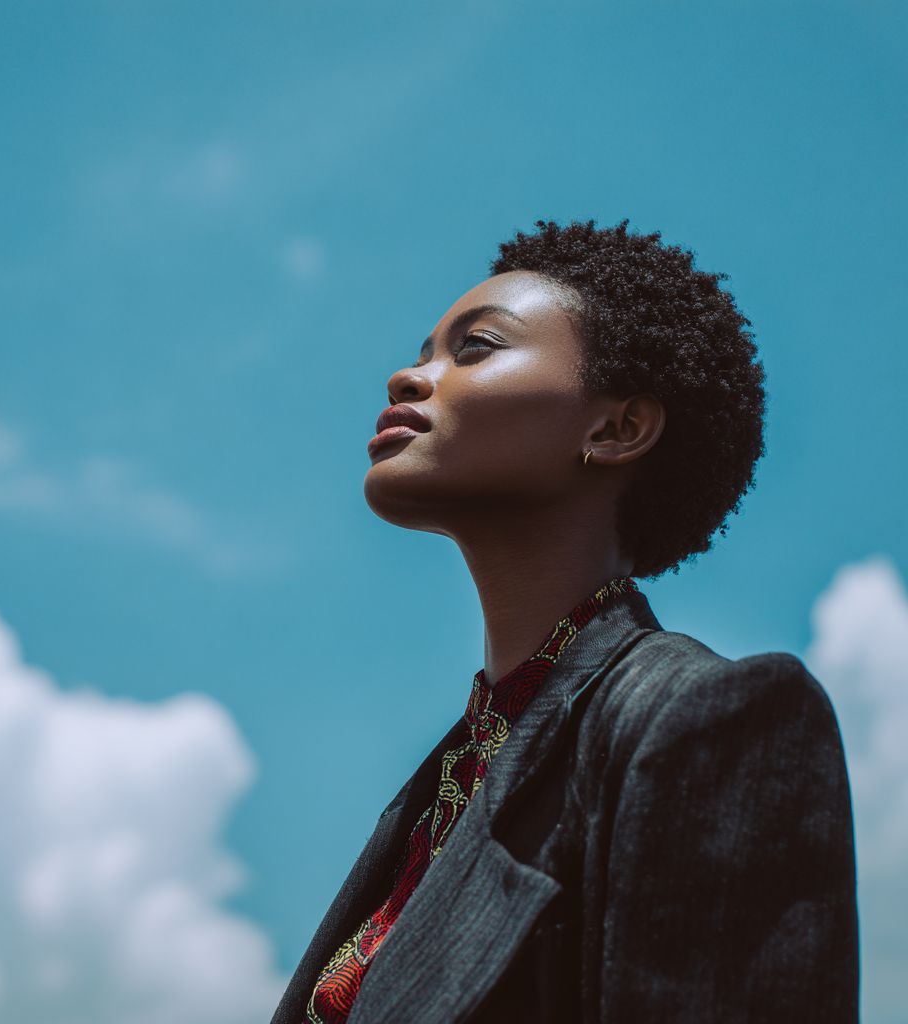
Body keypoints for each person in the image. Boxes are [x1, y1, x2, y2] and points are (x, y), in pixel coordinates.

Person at [271, 220, 858, 1024]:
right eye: (424, 351)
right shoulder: (446, 787)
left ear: (615, 429)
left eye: (474, 348)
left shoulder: (700, 723)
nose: (409, 377)